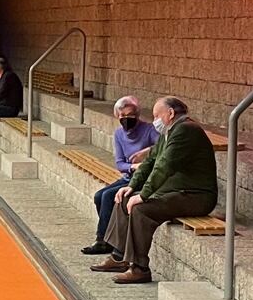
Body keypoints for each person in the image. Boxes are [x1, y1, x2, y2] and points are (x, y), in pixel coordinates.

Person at [92, 96, 218, 284]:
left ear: (171, 113)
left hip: (195, 196)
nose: (154, 120)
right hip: (177, 192)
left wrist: (143, 195)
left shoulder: (186, 130)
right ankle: (119, 257)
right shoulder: (171, 130)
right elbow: (151, 161)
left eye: (157, 115)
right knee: (123, 199)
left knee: (141, 209)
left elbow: (164, 166)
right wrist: (132, 187)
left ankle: (140, 268)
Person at [83, 95, 158, 255]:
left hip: (144, 178)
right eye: (122, 116)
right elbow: (120, 164)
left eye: (130, 115)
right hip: (129, 175)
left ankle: (102, 240)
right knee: (98, 196)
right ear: (117, 116)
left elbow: (161, 148)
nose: (126, 119)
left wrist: (146, 153)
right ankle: (109, 237)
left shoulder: (149, 130)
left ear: (137, 115)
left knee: (109, 196)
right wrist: (133, 166)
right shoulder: (118, 134)